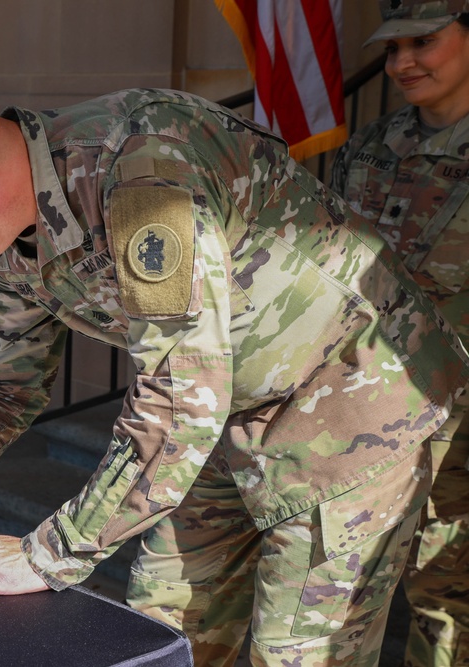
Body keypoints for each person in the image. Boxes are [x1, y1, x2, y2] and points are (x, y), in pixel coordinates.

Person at [0, 76, 469, 666]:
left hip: (353, 401)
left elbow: (179, 407)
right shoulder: (4, 244)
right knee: (159, 629)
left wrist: (47, 552)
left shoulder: (144, 170)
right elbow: (2, 392)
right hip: (227, 409)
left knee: (296, 652)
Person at [329, 2, 469, 665]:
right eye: (392, 49)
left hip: (461, 421)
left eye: (424, 42)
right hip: (368, 407)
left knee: (448, 595)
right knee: (345, 588)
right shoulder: (367, 147)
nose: (402, 62)